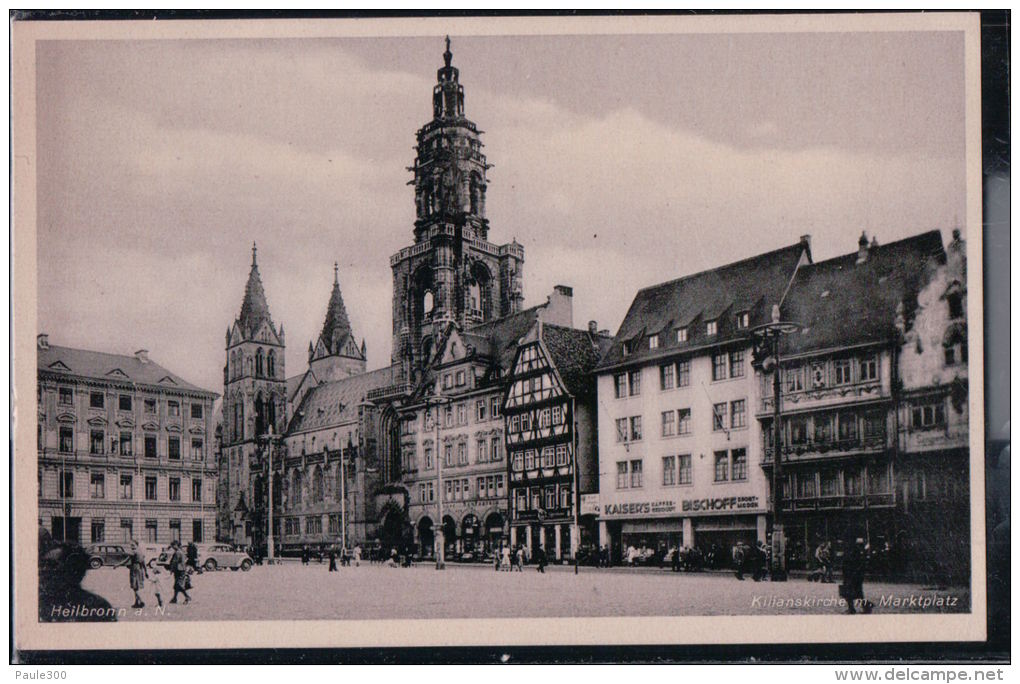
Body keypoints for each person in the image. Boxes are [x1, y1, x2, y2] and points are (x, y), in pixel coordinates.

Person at [841, 537, 870, 614]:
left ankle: (853, 608)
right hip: (854, 574)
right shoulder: (857, 551)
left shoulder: (853, 551)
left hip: (852, 574)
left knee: (849, 592)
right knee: (857, 592)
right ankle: (864, 606)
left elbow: (850, 563)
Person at [168, 540, 191, 605]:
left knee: (179, 584)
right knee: (176, 585)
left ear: (176, 545)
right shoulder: (181, 551)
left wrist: (171, 569)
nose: (172, 547)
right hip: (181, 569)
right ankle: (174, 598)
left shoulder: (178, 552)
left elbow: (175, 562)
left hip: (179, 570)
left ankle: (187, 596)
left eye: (173, 545)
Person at [127, 540, 147, 608]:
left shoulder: (134, 552)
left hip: (134, 569)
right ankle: (136, 602)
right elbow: (144, 562)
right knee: (137, 586)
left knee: (134, 586)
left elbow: (126, 560)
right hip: (140, 569)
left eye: (133, 545)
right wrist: (146, 571)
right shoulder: (141, 552)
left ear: (136, 545)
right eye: (131, 545)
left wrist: (117, 565)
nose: (131, 546)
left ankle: (141, 601)